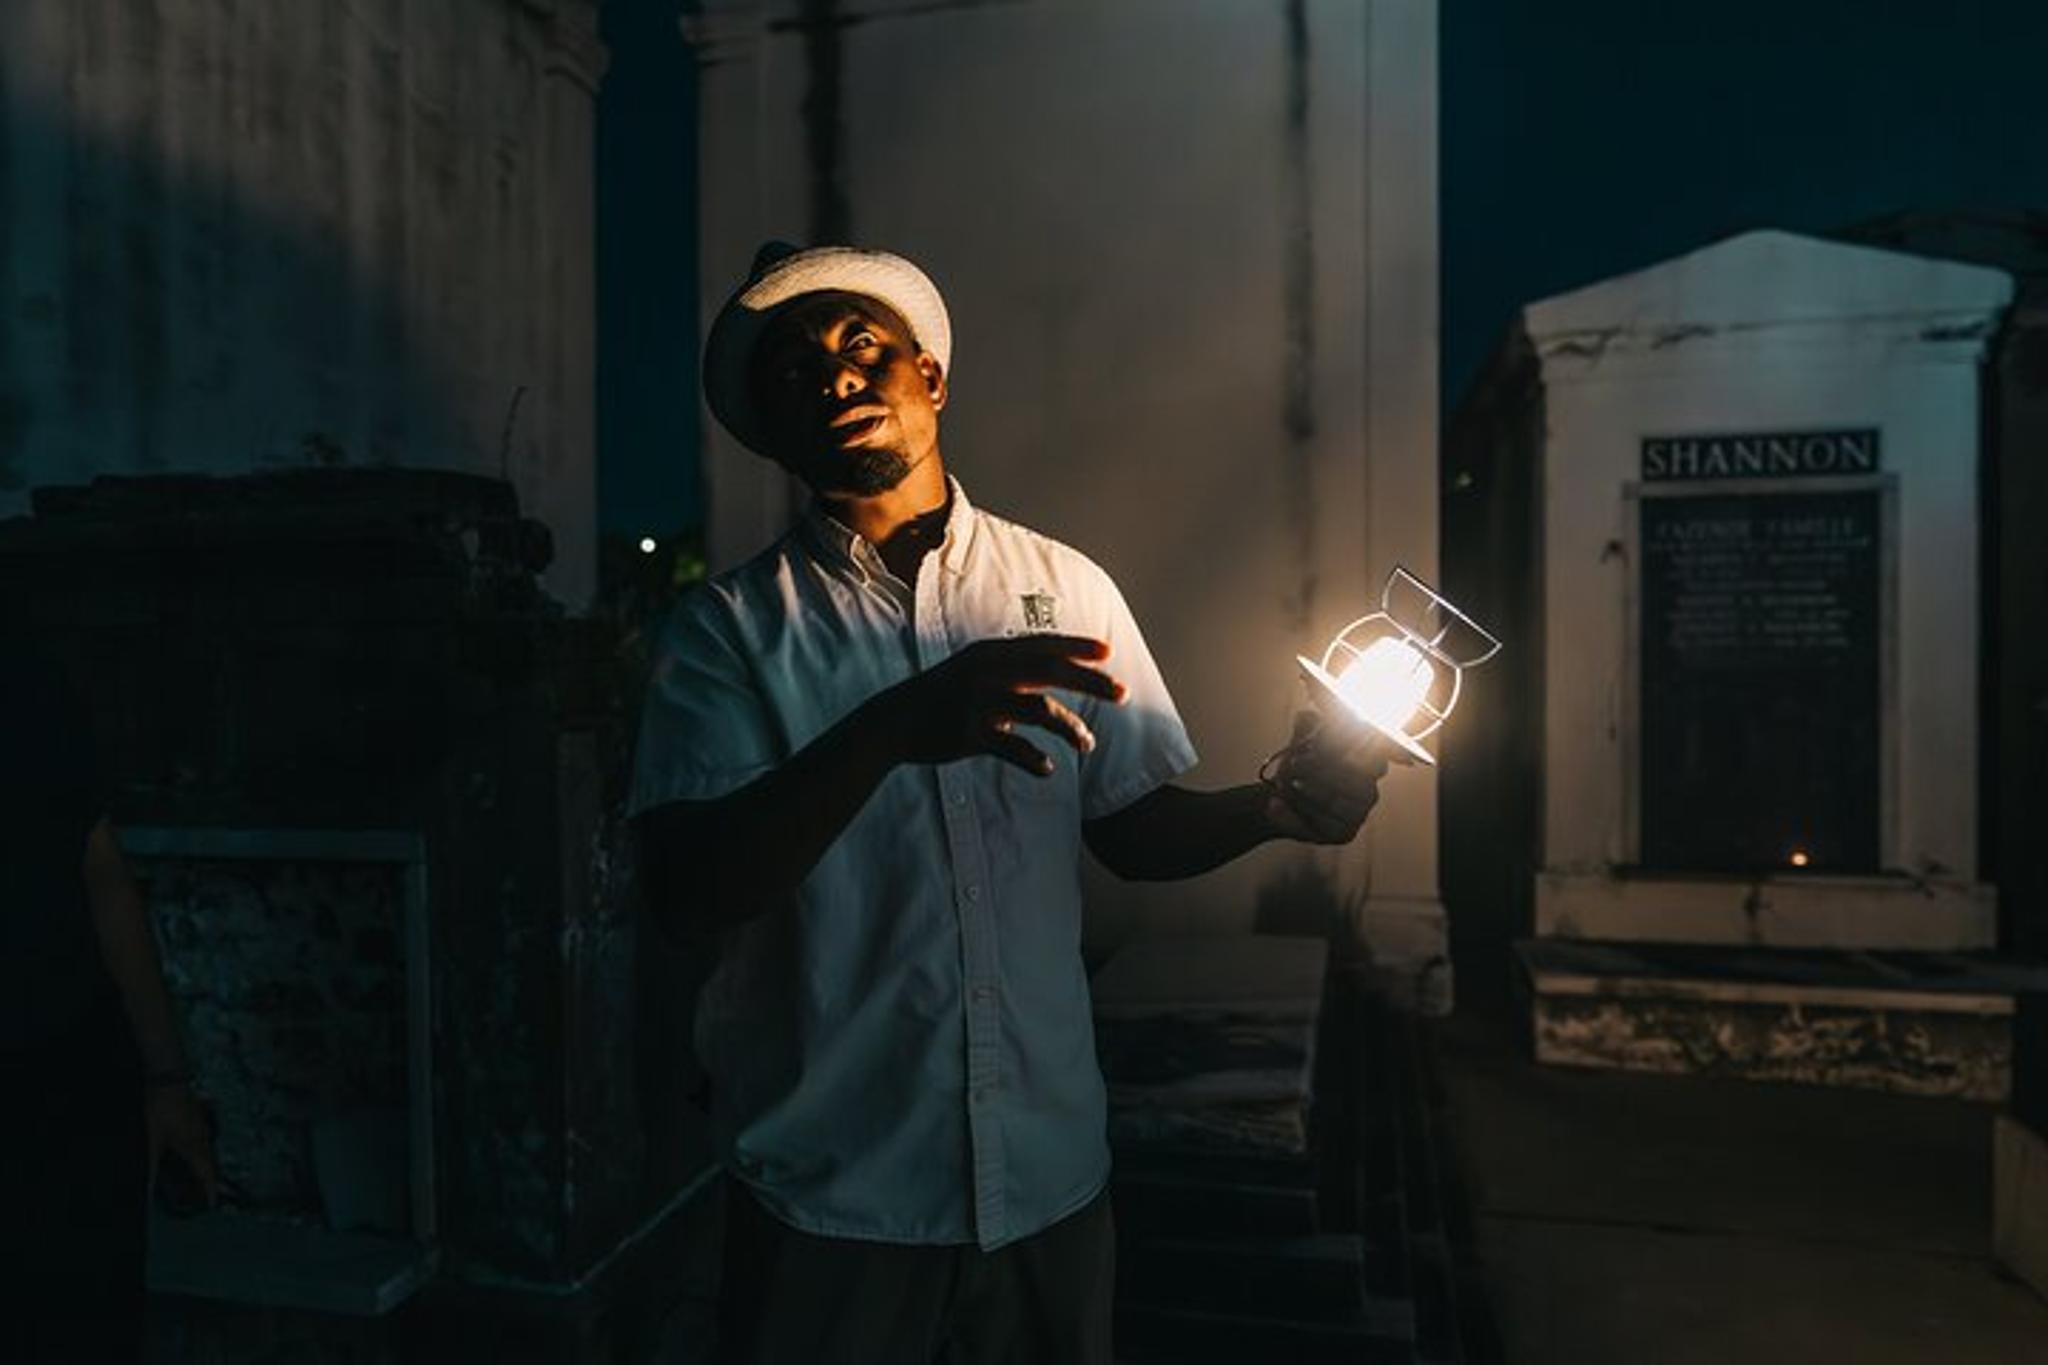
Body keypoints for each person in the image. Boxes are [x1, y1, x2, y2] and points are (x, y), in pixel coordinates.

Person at [632, 243, 1391, 1365]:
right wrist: (892, 729)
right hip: (835, 1199)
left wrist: (1274, 807)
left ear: (927, 377)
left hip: (1047, 1184)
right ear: (769, 430)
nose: (834, 377)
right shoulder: (729, 634)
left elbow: (1128, 827)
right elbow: (693, 887)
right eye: (793, 372)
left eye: (860, 348)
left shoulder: (1064, 586)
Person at [0, 647, 221, 1362]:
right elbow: (107, 879)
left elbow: (105, 879)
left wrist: (167, 1081)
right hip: (77, 1070)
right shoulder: (30, 675)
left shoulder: (28, 679)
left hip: (73, 1077)